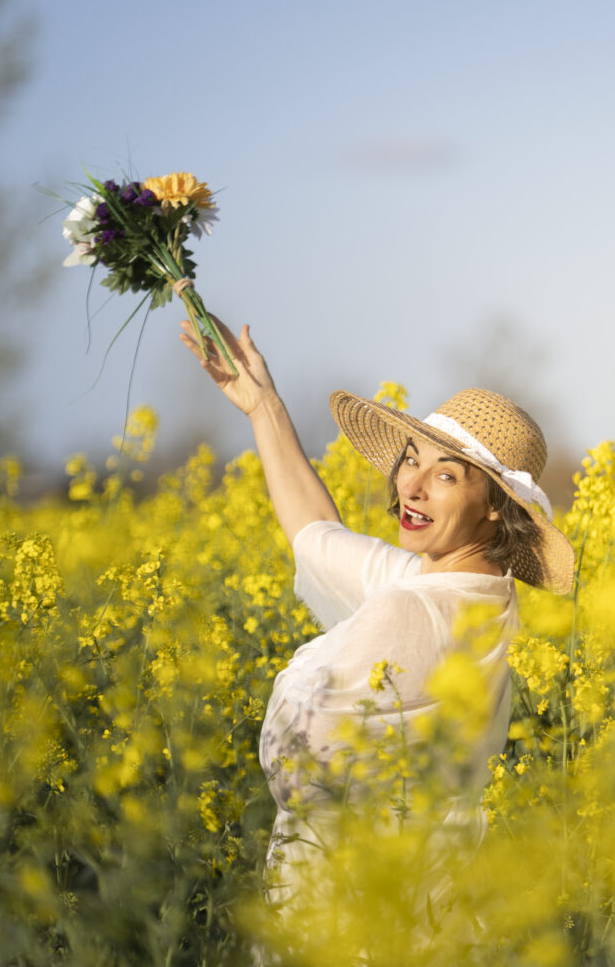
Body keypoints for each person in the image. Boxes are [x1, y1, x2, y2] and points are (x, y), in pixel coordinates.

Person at [180, 317, 575, 932]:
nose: (409, 487)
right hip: (429, 910)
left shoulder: (410, 609)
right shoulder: (477, 597)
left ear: (496, 504)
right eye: (411, 461)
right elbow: (319, 539)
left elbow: (296, 761)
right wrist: (262, 407)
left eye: (445, 475)